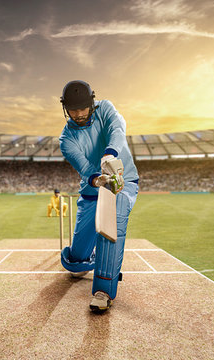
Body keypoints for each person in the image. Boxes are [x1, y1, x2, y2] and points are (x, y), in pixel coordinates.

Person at [57, 80, 139, 313]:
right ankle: (82, 259)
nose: (79, 114)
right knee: (76, 264)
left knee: (112, 228)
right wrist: (97, 178)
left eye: (83, 108)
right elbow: (83, 167)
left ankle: (103, 291)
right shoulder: (66, 140)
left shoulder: (106, 109)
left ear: (92, 103)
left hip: (122, 182)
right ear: (65, 109)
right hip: (93, 187)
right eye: (73, 110)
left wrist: (109, 156)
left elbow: (117, 130)